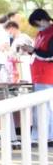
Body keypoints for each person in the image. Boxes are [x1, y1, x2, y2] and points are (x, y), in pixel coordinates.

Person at [27, 9, 53, 137]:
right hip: (38, 76)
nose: (36, 27)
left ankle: (46, 136)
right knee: (39, 108)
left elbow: (50, 55)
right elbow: (39, 52)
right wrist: (31, 50)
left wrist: (33, 51)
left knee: (45, 109)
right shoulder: (40, 34)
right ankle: (40, 136)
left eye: (36, 24)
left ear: (42, 20)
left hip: (48, 76)